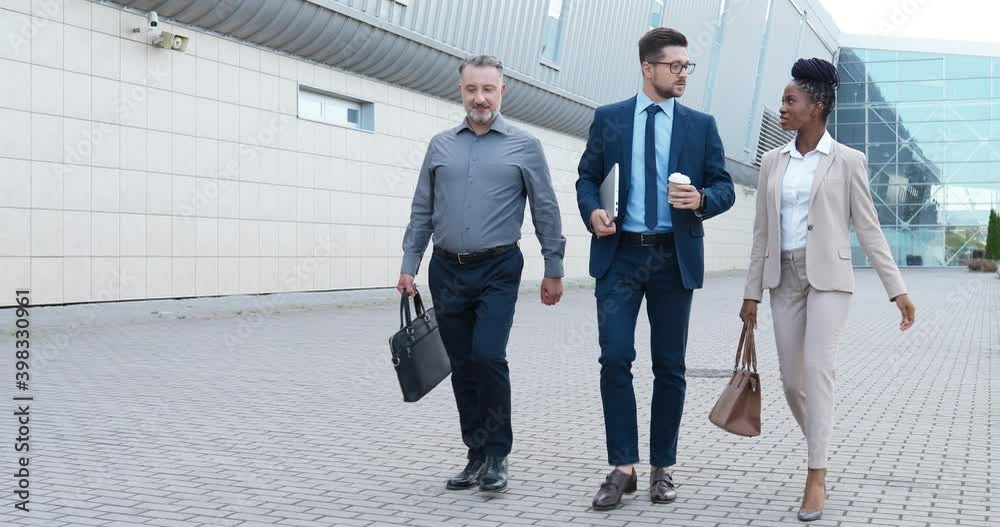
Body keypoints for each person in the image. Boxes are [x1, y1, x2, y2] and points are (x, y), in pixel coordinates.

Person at [740, 58, 916, 522]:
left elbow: (870, 229)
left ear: (816, 106)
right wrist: (750, 293)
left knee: (817, 369)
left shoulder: (848, 161)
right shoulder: (772, 161)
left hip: (829, 281)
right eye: (782, 100)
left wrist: (896, 290)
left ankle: (815, 474)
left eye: (790, 100)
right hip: (783, 280)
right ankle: (821, 444)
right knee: (792, 381)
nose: (782, 108)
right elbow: (761, 232)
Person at [576, 28, 735, 510]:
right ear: (649, 68)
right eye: (676, 66)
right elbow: (587, 177)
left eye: (688, 66)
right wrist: (592, 213)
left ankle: (663, 467)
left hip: (672, 256)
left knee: (670, 366)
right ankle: (622, 468)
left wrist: (703, 199)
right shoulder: (610, 119)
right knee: (615, 357)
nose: (684, 74)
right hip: (620, 255)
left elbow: (724, 186)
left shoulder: (700, 125)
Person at [397, 55, 566, 493]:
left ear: (501, 91)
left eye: (488, 89)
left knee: (488, 356)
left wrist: (555, 267)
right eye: (472, 89)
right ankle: (475, 454)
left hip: (498, 267)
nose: (480, 98)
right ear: (461, 91)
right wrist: (408, 265)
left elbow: (545, 208)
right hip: (446, 269)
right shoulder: (440, 145)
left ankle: (498, 453)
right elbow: (421, 209)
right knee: (462, 365)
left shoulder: (525, 145)